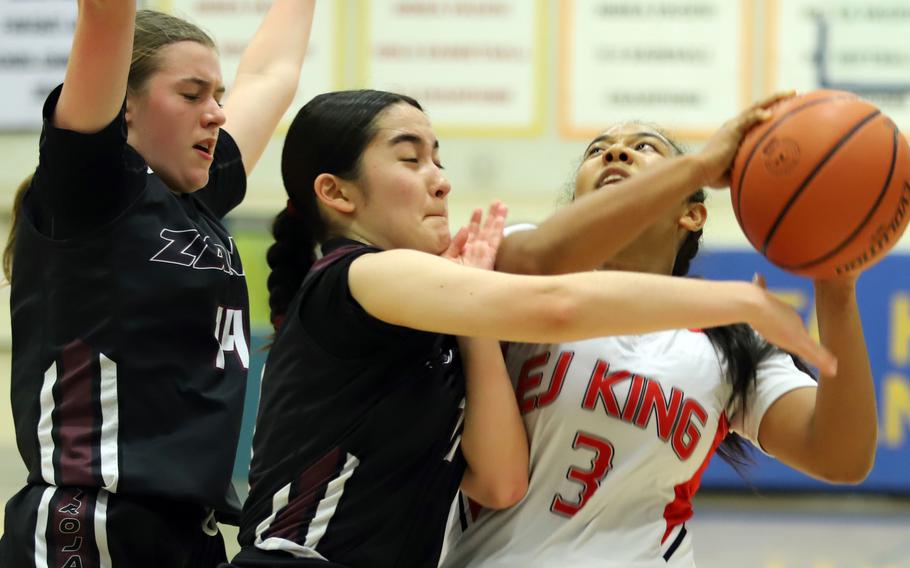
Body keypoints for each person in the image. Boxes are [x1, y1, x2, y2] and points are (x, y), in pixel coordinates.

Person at [226, 89, 835, 568]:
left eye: (440, 159)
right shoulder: (359, 278)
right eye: (412, 159)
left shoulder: (441, 321)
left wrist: (476, 329)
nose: (441, 179)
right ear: (337, 194)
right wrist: (732, 297)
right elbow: (555, 303)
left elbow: (500, 479)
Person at [440, 116, 878, 567]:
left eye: (645, 147)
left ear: (691, 214)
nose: (615, 153)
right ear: (576, 206)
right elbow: (554, 286)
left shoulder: (727, 339)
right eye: (597, 150)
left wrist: (836, 289)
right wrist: (702, 165)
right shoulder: (511, 263)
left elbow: (840, 456)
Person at [0, 1, 316, 567]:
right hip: (96, 520)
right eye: (192, 95)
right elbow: (105, 15)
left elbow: (272, 73)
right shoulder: (90, 186)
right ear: (123, 106)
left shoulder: (198, 196)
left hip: (187, 530)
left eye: (219, 95)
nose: (217, 113)